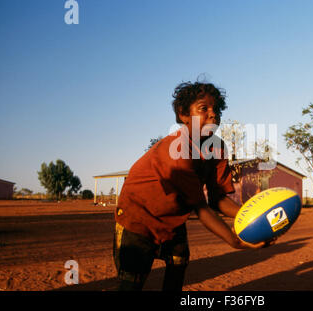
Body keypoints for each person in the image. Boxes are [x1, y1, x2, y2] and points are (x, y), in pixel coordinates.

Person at [113, 81, 267, 291]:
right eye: (204, 108)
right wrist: (236, 241)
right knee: (132, 283)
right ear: (183, 114)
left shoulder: (217, 147)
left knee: (178, 265)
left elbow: (218, 198)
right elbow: (202, 208)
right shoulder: (177, 149)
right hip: (137, 218)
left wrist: (253, 219)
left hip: (172, 222)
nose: (213, 114)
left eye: (216, 109)